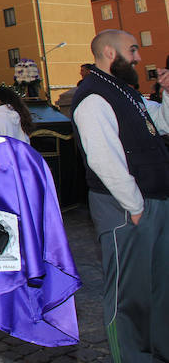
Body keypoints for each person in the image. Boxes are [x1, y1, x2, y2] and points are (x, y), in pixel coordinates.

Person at [71, 29, 169, 361]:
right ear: (111, 53)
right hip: (127, 208)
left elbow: (163, 124)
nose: (139, 57)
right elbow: (102, 158)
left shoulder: (125, 92)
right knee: (129, 296)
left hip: (150, 202)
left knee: (158, 291)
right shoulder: (94, 96)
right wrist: (135, 205)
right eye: (133, 49)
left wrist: (168, 93)